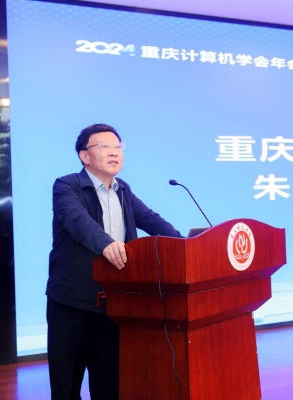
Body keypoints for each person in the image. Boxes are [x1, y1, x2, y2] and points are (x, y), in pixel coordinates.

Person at [46, 124, 182, 400]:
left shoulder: (123, 190)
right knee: (66, 387)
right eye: (104, 146)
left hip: (114, 305)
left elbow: (152, 220)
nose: (113, 152)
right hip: (72, 304)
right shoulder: (67, 186)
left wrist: (186, 245)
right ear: (85, 156)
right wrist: (106, 243)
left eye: (118, 146)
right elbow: (77, 221)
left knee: (110, 387)